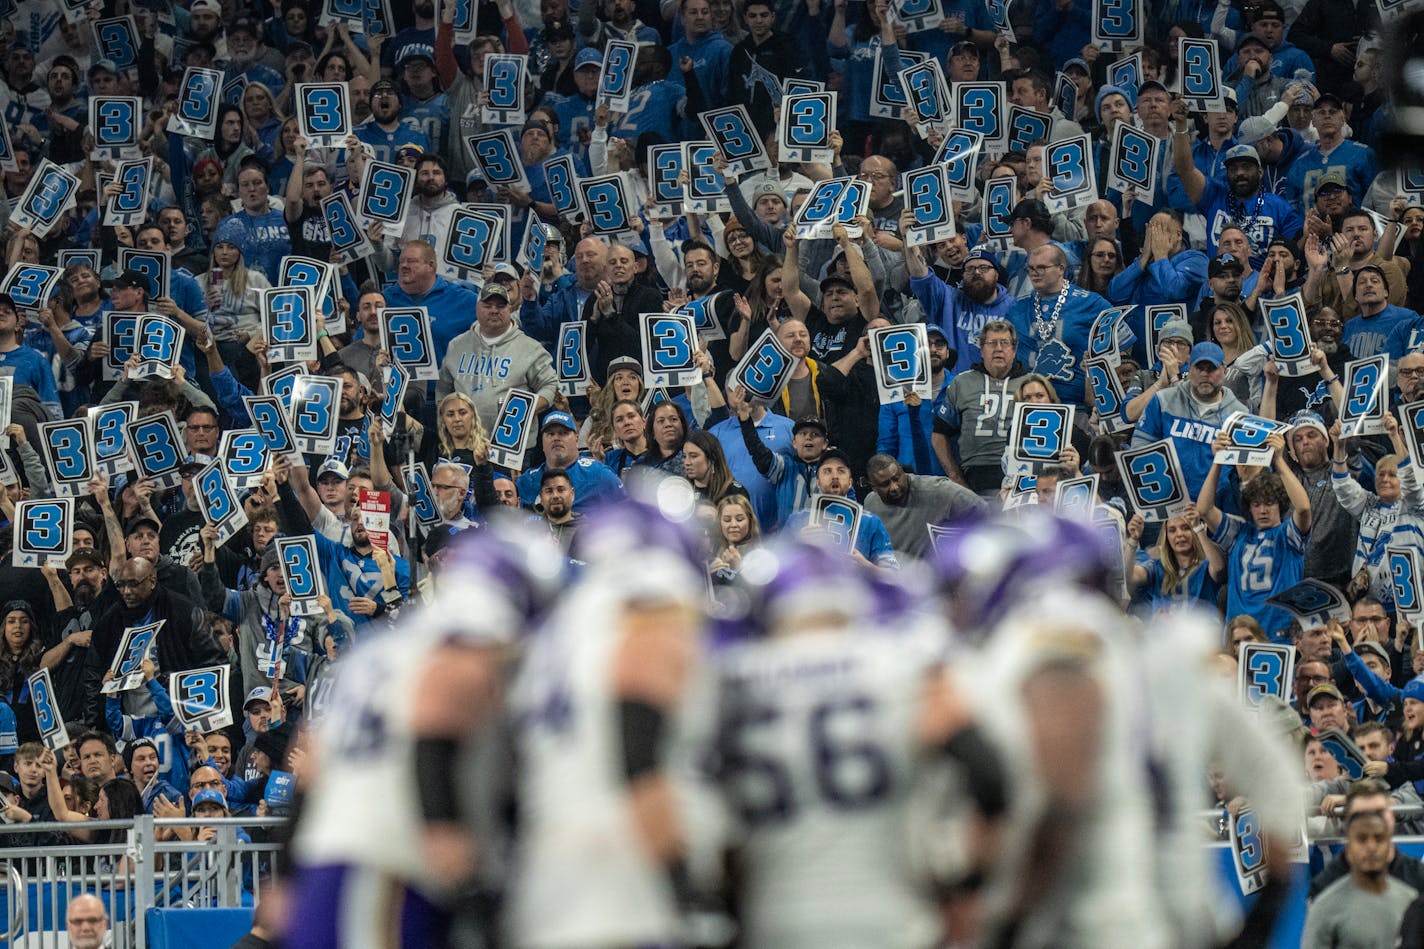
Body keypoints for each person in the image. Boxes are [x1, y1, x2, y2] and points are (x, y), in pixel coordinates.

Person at [288, 526, 563, 949]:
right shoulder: (468, 639)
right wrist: (445, 830)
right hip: (393, 856)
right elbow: (434, 720)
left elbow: (311, 765)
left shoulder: (382, 647)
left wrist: (289, 870)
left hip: (332, 848)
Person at [1198, 430, 1313, 638]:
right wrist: (1218, 462)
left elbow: (1304, 508)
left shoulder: (1288, 535)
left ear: (1281, 504)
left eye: (1269, 503)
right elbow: (1205, 509)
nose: (1263, 510)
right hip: (1239, 636)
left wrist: (1278, 461)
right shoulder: (1239, 533)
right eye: (1256, 504)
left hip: (1279, 634)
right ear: (1248, 508)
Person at [437, 282, 558, 432]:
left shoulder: (531, 348)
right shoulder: (456, 345)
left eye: (501, 306)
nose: (494, 310)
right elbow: (443, 388)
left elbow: (551, 385)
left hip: (512, 445)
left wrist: (526, 410)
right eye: (487, 306)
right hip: (465, 442)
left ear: (510, 309)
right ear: (477, 308)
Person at [1303, 810, 1419, 948]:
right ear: (1348, 849)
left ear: (1390, 849)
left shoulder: (1411, 901)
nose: (1371, 847)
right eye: (1362, 839)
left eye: (1378, 838)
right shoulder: (1325, 908)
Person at [863, 454, 986, 561]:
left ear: (903, 472)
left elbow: (984, 510)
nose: (894, 487)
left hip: (937, 580)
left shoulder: (938, 491)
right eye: (885, 484)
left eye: (897, 478)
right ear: (873, 487)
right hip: (896, 579)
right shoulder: (870, 503)